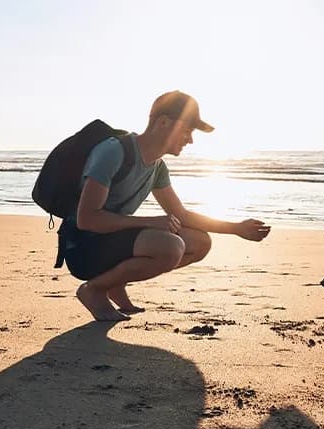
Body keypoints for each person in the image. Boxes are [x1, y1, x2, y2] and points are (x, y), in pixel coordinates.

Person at [59, 90, 271, 321]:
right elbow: (87, 219)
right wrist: (151, 222)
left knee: (199, 242)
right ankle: (94, 289)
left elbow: (181, 214)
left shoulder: (157, 167)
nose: (190, 140)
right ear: (163, 122)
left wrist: (236, 228)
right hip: (82, 248)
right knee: (171, 247)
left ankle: (114, 283)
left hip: (111, 243)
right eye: (188, 130)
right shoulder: (114, 151)